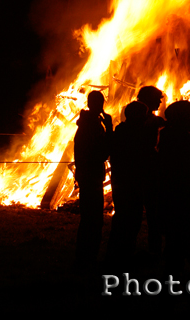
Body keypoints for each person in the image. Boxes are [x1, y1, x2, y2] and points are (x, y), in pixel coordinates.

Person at [158, 100, 190, 276]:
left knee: (177, 248)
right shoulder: (177, 143)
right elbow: (181, 178)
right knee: (184, 246)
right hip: (181, 206)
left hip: (178, 207)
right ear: (181, 119)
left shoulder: (173, 139)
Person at [107, 100, 149, 265]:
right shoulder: (130, 134)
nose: (145, 119)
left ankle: (120, 256)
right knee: (127, 220)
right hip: (128, 183)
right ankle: (119, 258)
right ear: (135, 116)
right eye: (143, 116)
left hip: (125, 182)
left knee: (127, 220)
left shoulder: (125, 132)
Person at [73, 90, 112, 265]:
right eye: (98, 103)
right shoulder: (93, 126)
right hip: (91, 175)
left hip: (87, 175)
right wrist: (109, 129)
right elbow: (103, 152)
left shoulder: (88, 123)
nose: (101, 106)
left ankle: (84, 256)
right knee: (93, 220)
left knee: (89, 218)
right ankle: (87, 258)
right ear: (92, 104)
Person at [137, 85, 166, 254]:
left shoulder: (149, 117)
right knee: (151, 212)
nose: (160, 101)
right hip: (143, 171)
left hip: (147, 169)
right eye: (158, 98)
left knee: (154, 213)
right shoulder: (143, 118)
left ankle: (154, 248)